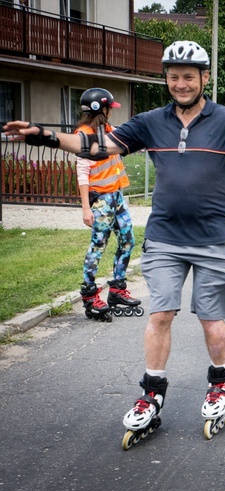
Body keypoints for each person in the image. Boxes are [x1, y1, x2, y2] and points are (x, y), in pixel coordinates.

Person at [3, 40, 225, 446]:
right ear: (166, 78)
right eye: (173, 76)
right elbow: (98, 148)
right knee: (160, 315)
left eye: (188, 76)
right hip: (165, 237)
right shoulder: (150, 122)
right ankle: (151, 393)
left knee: (210, 318)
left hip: (216, 237)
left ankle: (221, 382)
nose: (181, 84)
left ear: (204, 77)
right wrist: (43, 136)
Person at [75, 88, 142, 321]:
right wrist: (86, 208)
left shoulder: (108, 130)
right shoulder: (84, 136)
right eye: (108, 108)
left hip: (117, 196)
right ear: (100, 109)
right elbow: (82, 172)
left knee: (128, 239)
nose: (110, 112)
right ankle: (90, 295)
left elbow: (125, 144)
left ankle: (117, 288)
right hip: (101, 200)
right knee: (98, 246)